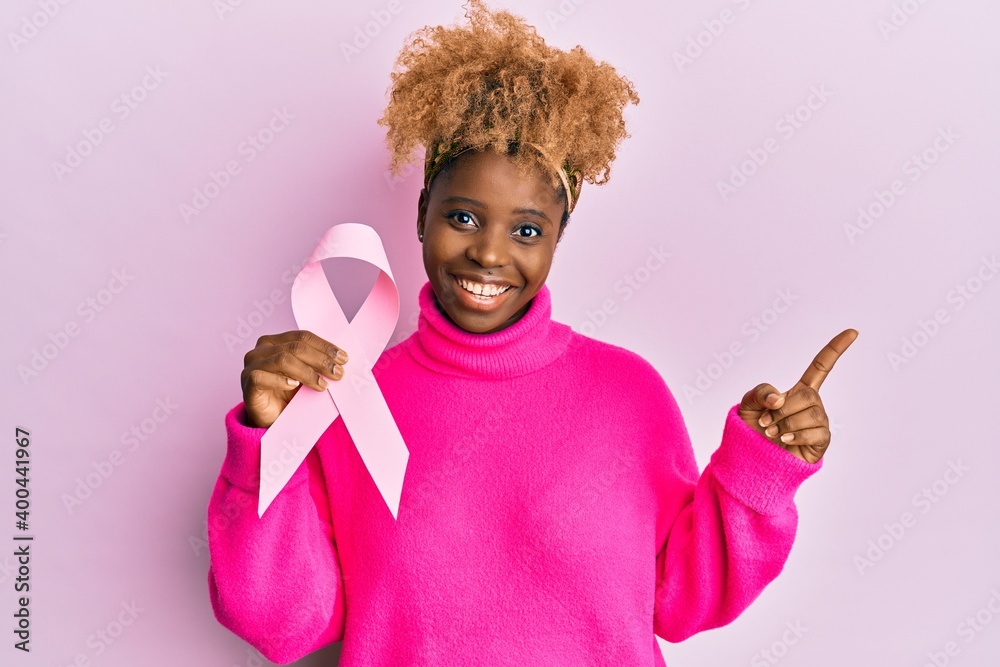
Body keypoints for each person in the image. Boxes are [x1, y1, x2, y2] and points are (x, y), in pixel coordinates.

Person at [205, 1, 858, 664]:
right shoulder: (348, 403)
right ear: (422, 212)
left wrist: (759, 468)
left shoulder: (628, 394)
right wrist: (268, 446)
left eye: (525, 231)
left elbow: (683, 597)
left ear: (557, 239)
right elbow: (280, 621)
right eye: (463, 216)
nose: (490, 254)